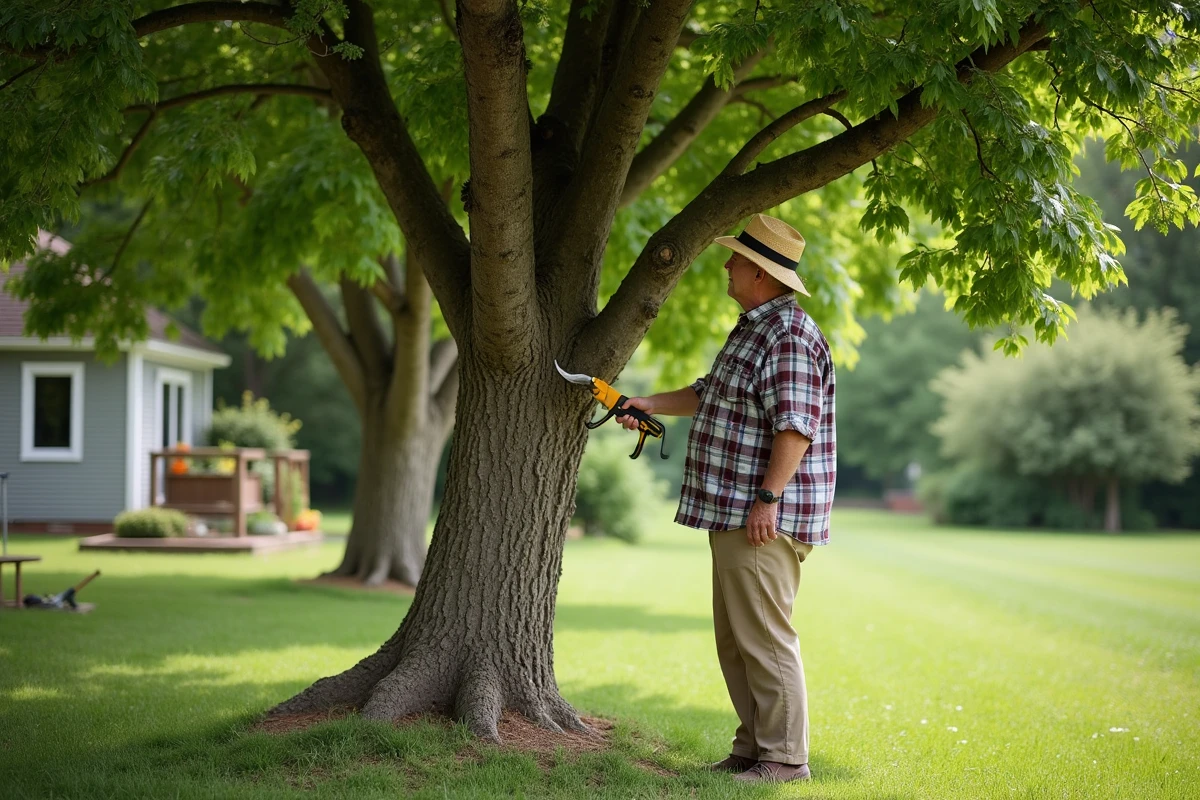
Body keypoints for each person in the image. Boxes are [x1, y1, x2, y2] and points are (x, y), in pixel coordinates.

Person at [619, 214, 836, 784]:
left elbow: (795, 428)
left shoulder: (788, 334)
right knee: (737, 639)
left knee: (764, 637)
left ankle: (785, 760)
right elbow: (707, 394)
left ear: (762, 273)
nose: (726, 266)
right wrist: (643, 402)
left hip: (762, 516)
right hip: (736, 511)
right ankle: (754, 748)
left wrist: (768, 498)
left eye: (736, 258)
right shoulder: (754, 327)